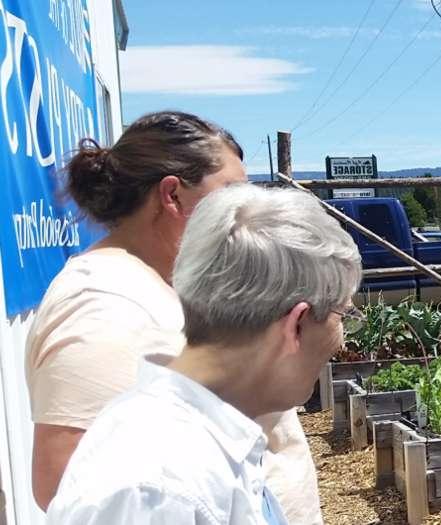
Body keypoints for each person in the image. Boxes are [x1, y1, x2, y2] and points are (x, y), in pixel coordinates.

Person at [25, 111, 322, 523]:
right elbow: (67, 479)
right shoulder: (103, 304)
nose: (247, 212)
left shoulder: (160, 283)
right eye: (232, 194)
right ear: (172, 196)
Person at [46, 184, 364, 523]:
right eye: (343, 314)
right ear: (296, 325)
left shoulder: (191, 443)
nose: (341, 341)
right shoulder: (163, 489)